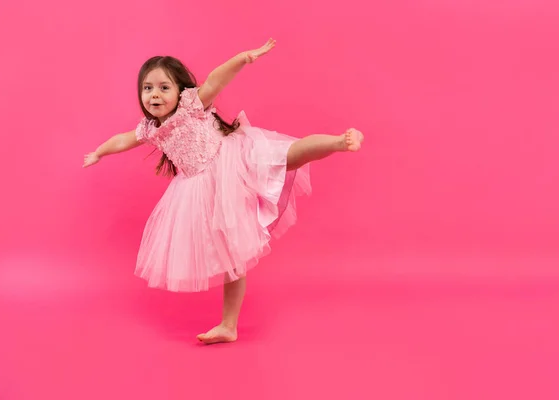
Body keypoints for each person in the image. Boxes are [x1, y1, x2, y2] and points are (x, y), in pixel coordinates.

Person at [83, 38, 364, 344]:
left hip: (232, 161)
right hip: (202, 191)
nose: (155, 94)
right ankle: (229, 326)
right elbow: (122, 140)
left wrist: (242, 59)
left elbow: (216, 80)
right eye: (148, 88)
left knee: (289, 155)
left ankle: (338, 142)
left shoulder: (192, 105)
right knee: (232, 259)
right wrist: (99, 151)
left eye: (164, 87)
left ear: (180, 91)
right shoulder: (149, 129)